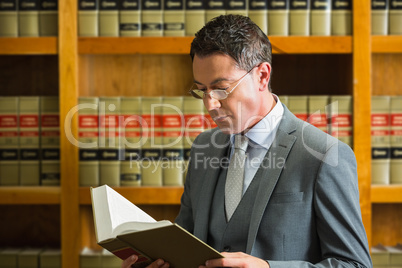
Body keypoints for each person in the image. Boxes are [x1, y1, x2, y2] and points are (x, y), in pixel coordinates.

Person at [122, 15, 372, 268]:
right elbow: (186, 246)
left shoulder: (324, 155)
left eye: (221, 89)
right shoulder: (203, 146)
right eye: (202, 90)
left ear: (262, 76)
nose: (210, 104)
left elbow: (355, 264)